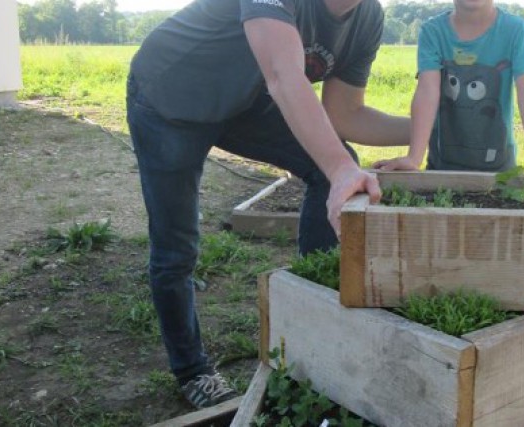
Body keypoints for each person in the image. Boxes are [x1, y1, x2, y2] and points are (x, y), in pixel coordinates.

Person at [126, 0, 408, 409]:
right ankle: (192, 370)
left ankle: (312, 318)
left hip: (242, 102)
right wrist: (342, 169)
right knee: (177, 248)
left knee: (329, 163)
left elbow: (344, 114)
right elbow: (282, 74)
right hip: (172, 98)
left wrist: (432, 127)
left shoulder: (368, 16)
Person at [373, 0, 524, 190]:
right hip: (441, 171)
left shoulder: (516, 30)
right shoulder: (433, 32)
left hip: (500, 173)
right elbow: (427, 92)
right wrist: (414, 158)